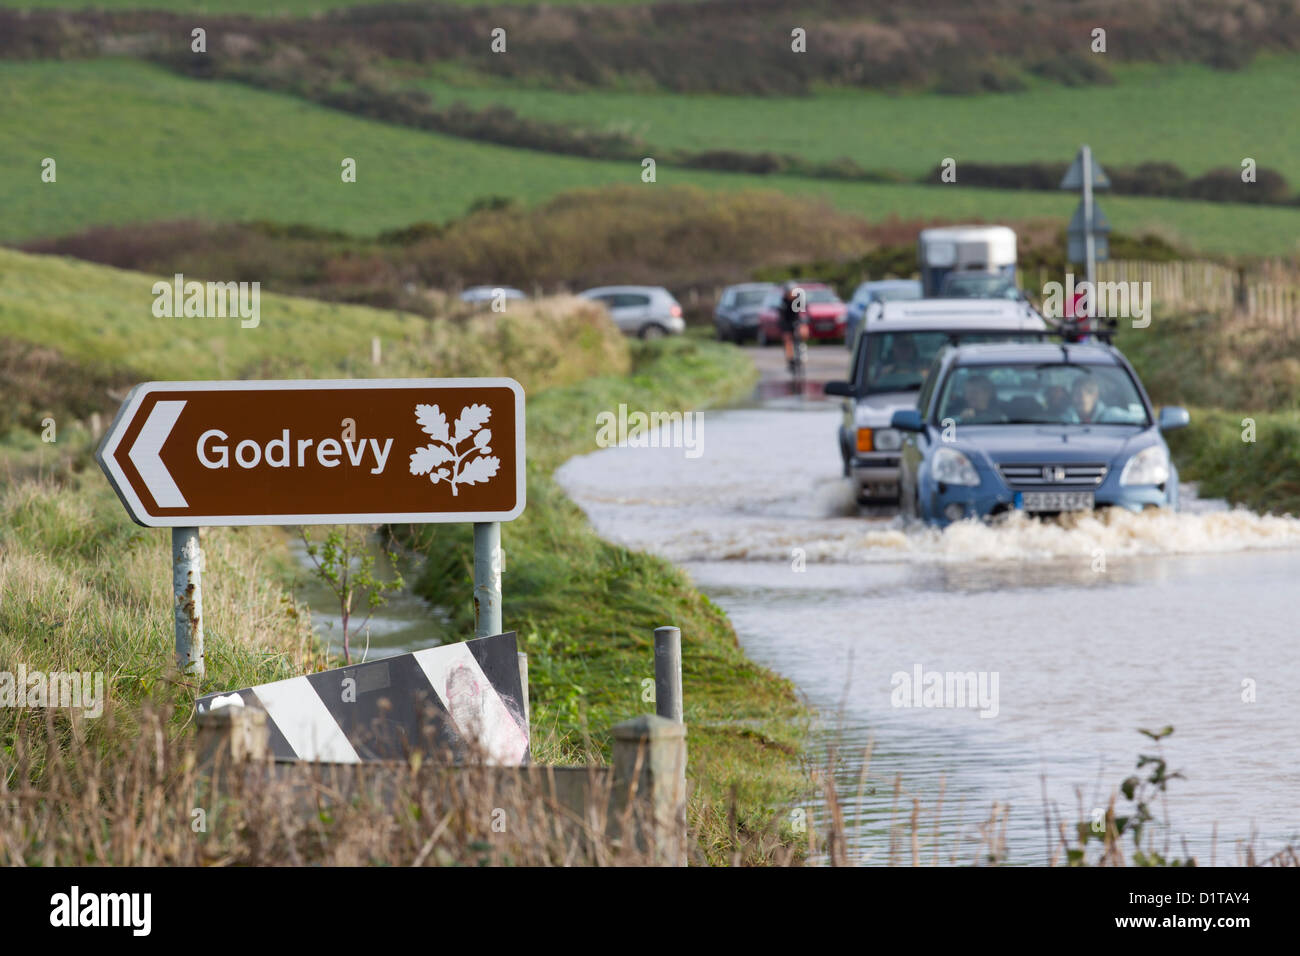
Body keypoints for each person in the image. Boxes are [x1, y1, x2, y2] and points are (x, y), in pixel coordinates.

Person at [778, 282, 808, 371]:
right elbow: (782, 317)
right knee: (787, 339)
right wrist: (784, 329)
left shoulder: (800, 299)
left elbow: (804, 313)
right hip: (787, 321)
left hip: (798, 320)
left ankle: (802, 346)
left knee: (803, 330)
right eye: (789, 293)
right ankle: (790, 360)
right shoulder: (783, 301)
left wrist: (803, 324)